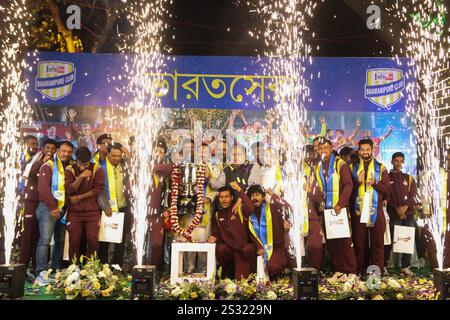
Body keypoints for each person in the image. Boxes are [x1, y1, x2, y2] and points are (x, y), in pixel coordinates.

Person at [311, 138, 357, 281]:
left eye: (326, 148)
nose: (323, 151)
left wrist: (340, 203)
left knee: (344, 241)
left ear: (331, 148)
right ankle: (340, 271)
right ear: (317, 150)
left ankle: (352, 271)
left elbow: (349, 185)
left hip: (340, 209)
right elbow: (318, 189)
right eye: (320, 148)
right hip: (327, 210)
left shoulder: (340, 164)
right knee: (332, 242)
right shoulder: (318, 167)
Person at [350, 139, 391, 276]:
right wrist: (357, 182)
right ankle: (359, 271)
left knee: (377, 243)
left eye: (368, 149)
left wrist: (375, 183)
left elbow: (387, 190)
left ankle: (376, 271)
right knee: (359, 243)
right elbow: (347, 188)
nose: (365, 152)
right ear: (359, 150)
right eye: (362, 150)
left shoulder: (381, 167)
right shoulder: (352, 167)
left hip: (376, 209)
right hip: (358, 210)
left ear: (372, 150)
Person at [35, 141, 74, 285]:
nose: (66, 154)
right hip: (48, 208)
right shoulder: (48, 165)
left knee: (60, 241)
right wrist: (53, 207)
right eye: (63, 151)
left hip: (63, 209)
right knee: (44, 241)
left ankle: (56, 270)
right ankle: (41, 272)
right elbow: (43, 189)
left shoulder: (71, 166)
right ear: (58, 150)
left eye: (69, 152)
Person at [19, 139, 57, 281]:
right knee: (28, 235)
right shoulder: (35, 161)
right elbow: (31, 173)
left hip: (43, 204)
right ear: (42, 148)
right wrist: (43, 161)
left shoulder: (55, 163)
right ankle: (21, 267)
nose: (50, 150)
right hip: (31, 202)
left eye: (53, 148)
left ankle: (36, 268)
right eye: (47, 147)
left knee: (39, 237)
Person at [64, 147, 105, 262]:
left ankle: (91, 267)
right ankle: (73, 268)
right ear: (76, 160)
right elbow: (69, 190)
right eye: (81, 164)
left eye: (86, 164)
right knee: (74, 240)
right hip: (74, 212)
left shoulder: (97, 168)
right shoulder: (70, 169)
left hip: (92, 211)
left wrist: (80, 197)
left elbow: (98, 189)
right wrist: (80, 178)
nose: (84, 167)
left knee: (93, 240)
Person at [207, 183, 256, 279]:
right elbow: (216, 233)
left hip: (241, 252)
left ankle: (242, 270)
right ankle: (226, 271)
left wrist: (239, 190)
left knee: (241, 281)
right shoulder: (218, 214)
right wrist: (214, 237)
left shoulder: (239, 209)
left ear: (232, 197)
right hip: (229, 251)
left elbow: (251, 208)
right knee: (220, 249)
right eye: (221, 197)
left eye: (226, 197)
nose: (224, 199)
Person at [97, 143, 132, 268]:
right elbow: (99, 190)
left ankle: (117, 267)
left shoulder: (125, 166)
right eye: (113, 155)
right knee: (104, 240)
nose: (116, 158)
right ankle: (103, 268)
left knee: (120, 241)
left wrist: (128, 158)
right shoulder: (101, 167)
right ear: (108, 153)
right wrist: (105, 206)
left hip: (123, 208)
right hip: (106, 208)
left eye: (119, 156)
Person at [384, 152, 418, 277]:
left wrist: (405, 208)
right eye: (396, 161)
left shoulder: (408, 178)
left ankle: (405, 266)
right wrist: (397, 209)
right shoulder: (386, 177)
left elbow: (413, 195)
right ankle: (384, 265)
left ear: (403, 162)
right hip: (393, 214)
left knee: (407, 240)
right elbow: (387, 195)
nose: (398, 163)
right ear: (392, 161)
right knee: (389, 240)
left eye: (401, 161)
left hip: (408, 214)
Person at [245, 185, 289, 278]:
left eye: (257, 195)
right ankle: (257, 275)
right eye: (252, 196)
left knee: (274, 267)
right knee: (248, 249)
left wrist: (274, 196)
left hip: (277, 248)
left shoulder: (272, 208)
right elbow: (252, 235)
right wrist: (259, 247)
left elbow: (287, 208)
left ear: (263, 197)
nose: (254, 198)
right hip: (260, 248)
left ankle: (279, 274)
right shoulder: (249, 214)